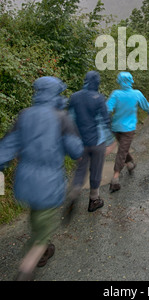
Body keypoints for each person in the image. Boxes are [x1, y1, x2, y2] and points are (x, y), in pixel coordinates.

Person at [0, 76, 83, 281]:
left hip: (25, 182)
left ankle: (44, 248)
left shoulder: (24, 115)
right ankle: (26, 269)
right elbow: (75, 150)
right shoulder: (61, 117)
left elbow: (6, 149)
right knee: (43, 229)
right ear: (57, 92)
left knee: (38, 215)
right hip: (49, 183)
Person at [65, 71, 112, 215]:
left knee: (81, 168)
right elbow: (105, 120)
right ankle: (94, 199)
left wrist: (73, 141)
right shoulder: (99, 98)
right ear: (97, 82)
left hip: (81, 142)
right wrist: (110, 142)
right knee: (96, 169)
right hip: (98, 141)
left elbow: (70, 120)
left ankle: (76, 188)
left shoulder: (74, 97)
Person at [106, 71, 149, 192]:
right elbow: (145, 105)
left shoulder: (116, 94)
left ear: (119, 82)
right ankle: (115, 178)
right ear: (131, 81)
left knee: (123, 149)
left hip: (115, 128)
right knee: (122, 151)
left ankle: (130, 164)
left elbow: (107, 109)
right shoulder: (137, 94)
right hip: (129, 129)